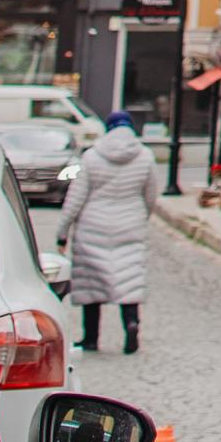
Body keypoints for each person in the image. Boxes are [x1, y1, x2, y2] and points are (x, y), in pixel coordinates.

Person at [58, 114, 160, 354]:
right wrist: (141, 216)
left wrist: (62, 232)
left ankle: (91, 338)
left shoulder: (91, 157)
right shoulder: (145, 156)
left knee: (92, 283)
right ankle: (131, 324)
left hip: (92, 224)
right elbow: (151, 195)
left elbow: (75, 198)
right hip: (130, 223)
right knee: (129, 279)